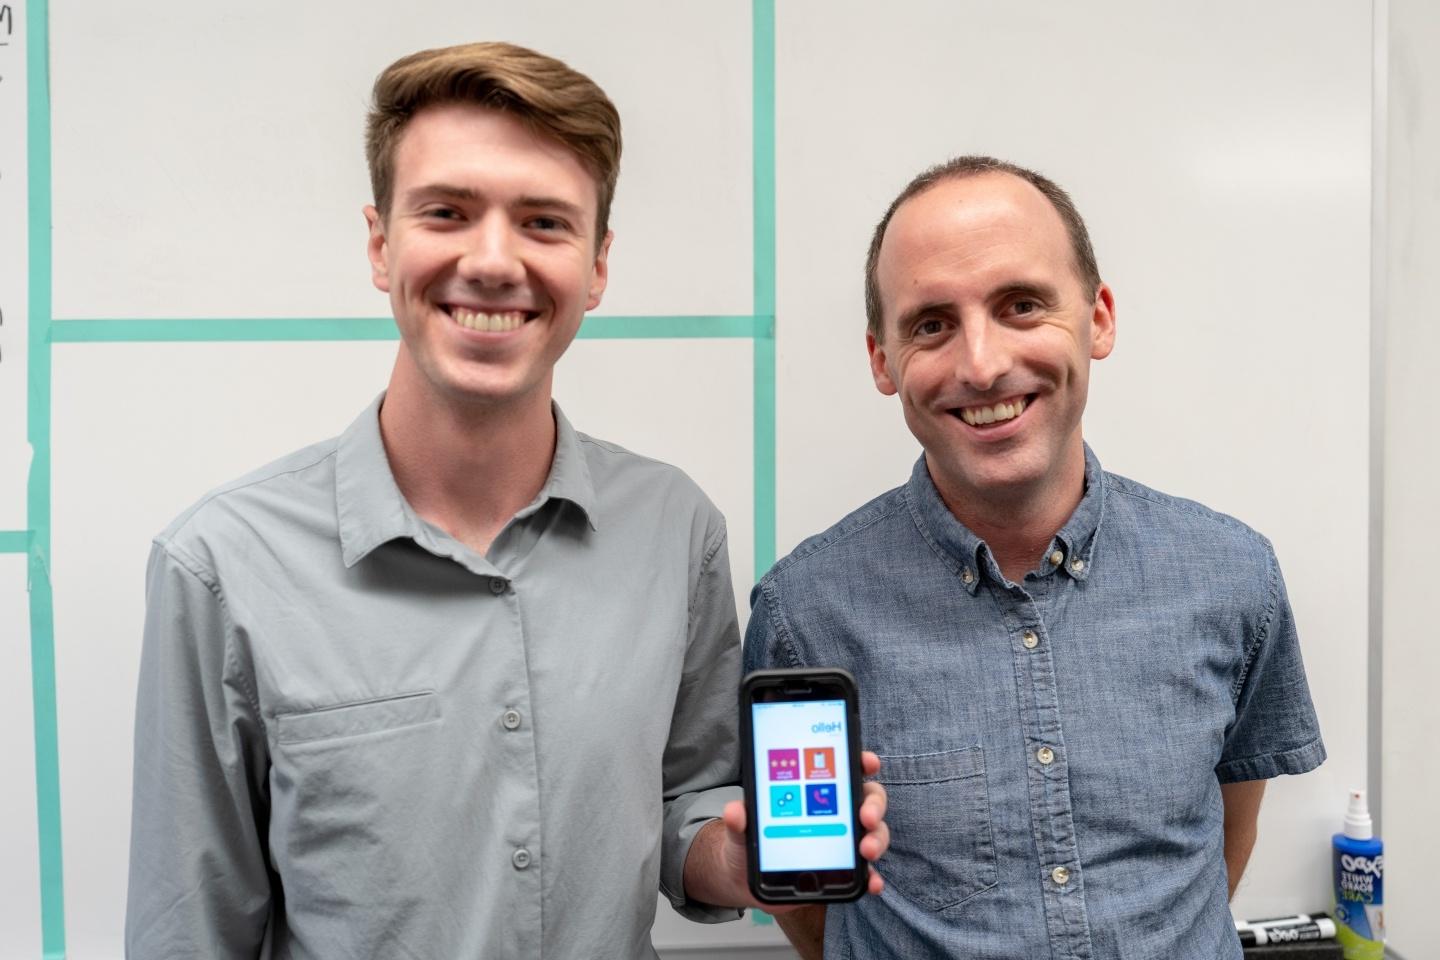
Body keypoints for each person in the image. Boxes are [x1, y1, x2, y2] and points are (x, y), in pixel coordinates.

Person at [125, 41, 886, 959]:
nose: (492, 262)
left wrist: (736, 854)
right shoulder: (219, 568)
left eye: (544, 223)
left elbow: (687, 815)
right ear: (380, 243)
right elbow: (189, 930)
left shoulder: (676, 531)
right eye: (446, 212)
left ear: (598, 264)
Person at [744, 156, 1325, 960]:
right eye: (931, 324)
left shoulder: (1232, 577)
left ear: (1099, 319)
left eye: (1021, 305)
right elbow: (812, 908)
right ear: (883, 360)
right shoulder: (803, 615)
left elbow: (1227, 831)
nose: (981, 364)